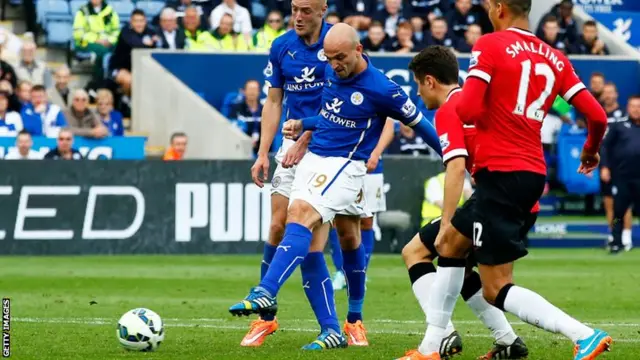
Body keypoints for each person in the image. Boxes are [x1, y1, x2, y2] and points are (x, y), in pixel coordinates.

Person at [414, 1, 611, 360]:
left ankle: (583, 334)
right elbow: (597, 116)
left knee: (496, 287)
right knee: (450, 246)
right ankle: (436, 345)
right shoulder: (555, 57)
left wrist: (453, 114)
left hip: (500, 173)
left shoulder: (490, 45)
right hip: (533, 173)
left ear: (499, 8)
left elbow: (470, 108)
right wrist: (590, 151)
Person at [230, 22, 442, 350]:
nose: (333, 65)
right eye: (329, 58)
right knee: (305, 232)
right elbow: (332, 114)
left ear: (359, 50)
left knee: (346, 234)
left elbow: (420, 124)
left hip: (349, 165)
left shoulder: (383, 88)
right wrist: (305, 127)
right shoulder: (332, 69)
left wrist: (453, 154)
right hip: (318, 159)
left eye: (339, 57)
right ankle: (326, 327)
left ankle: (350, 317)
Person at [397, 45, 532, 360]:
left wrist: (446, 224)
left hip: (493, 200)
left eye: (417, 85)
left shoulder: (449, 108)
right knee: (464, 270)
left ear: (430, 81)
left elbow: (455, 167)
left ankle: (441, 336)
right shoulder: (474, 100)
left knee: (417, 251)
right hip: (514, 194)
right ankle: (507, 340)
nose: (417, 94)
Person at [238, 0, 334, 348]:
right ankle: (266, 318)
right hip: (289, 147)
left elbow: (338, 103)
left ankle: (343, 323)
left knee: (327, 240)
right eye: (294, 8)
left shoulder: (336, 45)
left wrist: (306, 139)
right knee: (277, 226)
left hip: (329, 150)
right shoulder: (281, 46)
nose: (298, 16)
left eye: (306, 10)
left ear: (323, 10)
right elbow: (274, 101)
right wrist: (263, 152)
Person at [601, 95, 640, 253]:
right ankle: (616, 241)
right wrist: (605, 167)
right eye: (633, 106)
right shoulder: (618, 126)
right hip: (622, 177)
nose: (636, 109)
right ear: (627, 108)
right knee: (618, 211)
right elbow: (604, 147)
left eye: (639, 106)